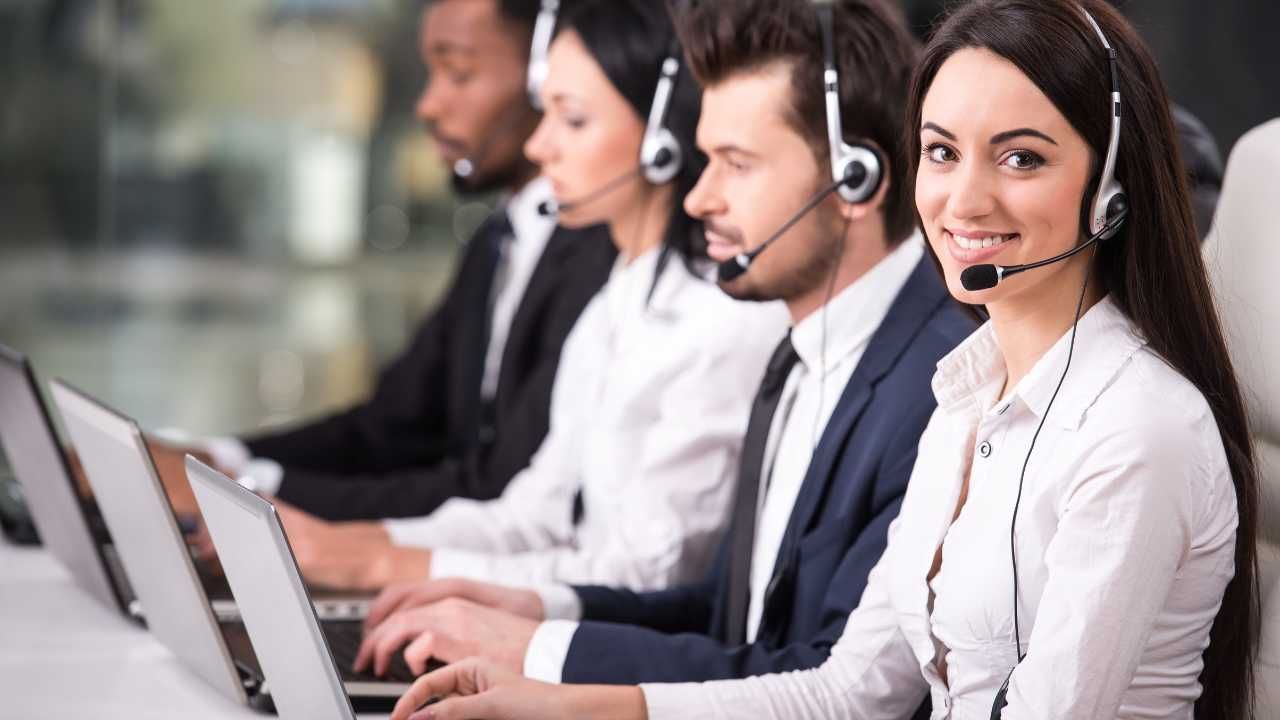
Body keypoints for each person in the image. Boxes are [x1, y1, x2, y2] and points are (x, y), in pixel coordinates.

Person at [385, 1, 1259, 718]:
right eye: (943, 152)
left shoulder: (1137, 428)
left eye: (1021, 158)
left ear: (1109, 189)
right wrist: (561, 704)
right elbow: (850, 689)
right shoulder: (967, 398)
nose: (964, 198)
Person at [347, 0, 975, 690]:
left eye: (736, 164)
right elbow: (725, 619)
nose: (699, 198)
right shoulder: (800, 352)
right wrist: (534, 611)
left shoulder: (939, 385)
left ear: (856, 180)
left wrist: (538, 655)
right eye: (705, 160)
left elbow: (830, 681)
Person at [266, 0, 789, 592]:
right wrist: (368, 543)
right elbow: (532, 514)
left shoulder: (720, 320)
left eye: (572, 120)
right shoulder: (616, 300)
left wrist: (391, 564)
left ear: (661, 139)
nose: (540, 148)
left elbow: (650, 571)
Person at [140, 0, 616, 530]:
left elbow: (497, 486)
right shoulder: (499, 239)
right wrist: (216, 461)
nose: (428, 106)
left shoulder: (607, 254)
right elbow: (388, 428)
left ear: (548, 81)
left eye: (459, 74)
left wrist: (240, 491)